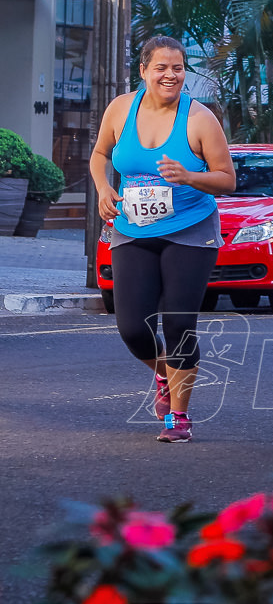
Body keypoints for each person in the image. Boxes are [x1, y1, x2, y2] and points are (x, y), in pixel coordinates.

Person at [90, 36, 236, 443]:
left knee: (177, 323)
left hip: (190, 230)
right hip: (132, 228)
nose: (170, 75)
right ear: (143, 71)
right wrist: (103, 188)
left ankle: (179, 417)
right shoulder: (121, 109)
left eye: (177, 68)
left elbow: (227, 179)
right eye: (161, 67)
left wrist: (190, 176)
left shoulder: (200, 119)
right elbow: (100, 154)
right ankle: (164, 375)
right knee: (133, 327)